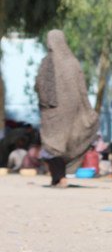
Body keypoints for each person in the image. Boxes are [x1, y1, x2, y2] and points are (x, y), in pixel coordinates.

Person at [34, 30, 100, 187]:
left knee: (53, 145)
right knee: (64, 144)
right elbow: (82, 89)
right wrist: (86, 108)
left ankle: (60, 177)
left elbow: (40, 86)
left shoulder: (48, 61)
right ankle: (57, 177)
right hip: (72, 113)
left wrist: (44, 105)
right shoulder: (73, 62)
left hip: (52, 114)